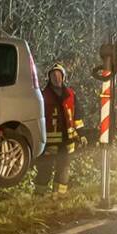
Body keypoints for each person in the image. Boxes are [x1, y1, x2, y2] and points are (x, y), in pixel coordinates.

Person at [36, 63, 82, 196]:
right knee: (44, 170)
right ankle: (39, 197)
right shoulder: (43, 96)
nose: (56, 78)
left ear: (63, 77)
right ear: (49, 78)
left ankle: (59, 196)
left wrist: (81, 134)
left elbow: (78, 115)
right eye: (53, 75)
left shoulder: (71, 95)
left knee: (63, 170)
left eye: (59, 75)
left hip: (67, 142)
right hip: (48, 143)